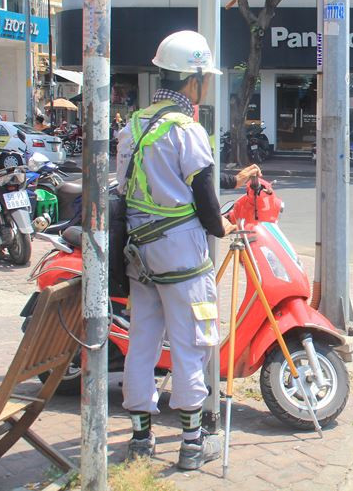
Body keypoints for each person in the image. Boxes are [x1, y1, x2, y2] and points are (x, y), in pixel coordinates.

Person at [115, 30, 233, 470]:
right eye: (205, 79)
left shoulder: (135, 124)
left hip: (139, 253)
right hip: (181, 254)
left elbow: (128, 187)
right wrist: (223, 226)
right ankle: (190, 442)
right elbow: (203, 196)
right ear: (194, 79)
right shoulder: (186, 128)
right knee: (191, 341)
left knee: (142, 339)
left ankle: (140, 439)